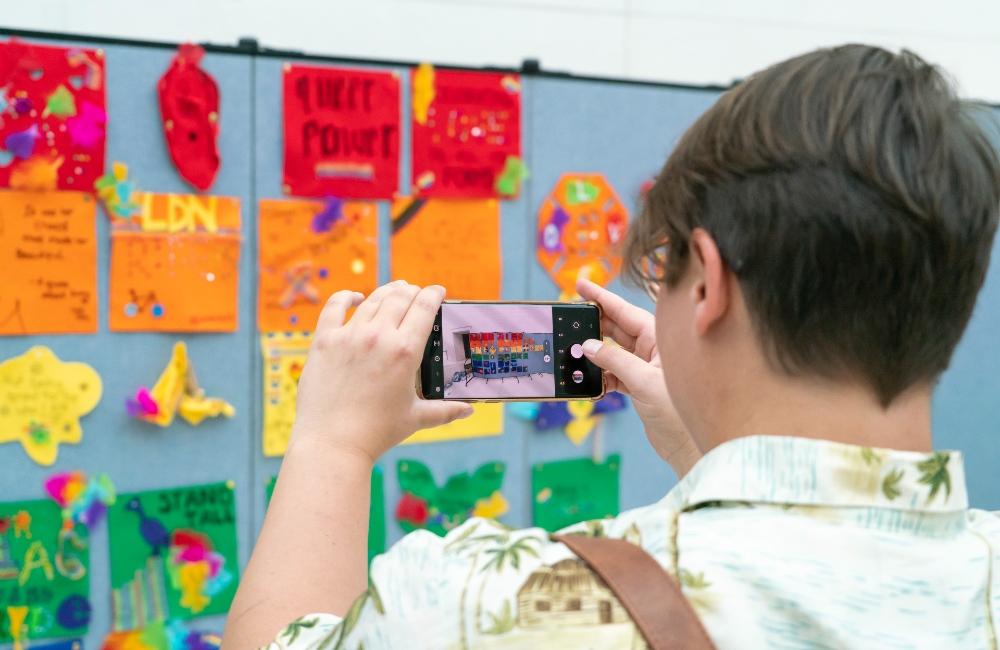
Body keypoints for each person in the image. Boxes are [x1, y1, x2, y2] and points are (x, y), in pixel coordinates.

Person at [224, 44, 1000, 649]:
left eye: (665, 272)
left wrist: (332, 442)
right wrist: (707, 452)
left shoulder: (494, 605)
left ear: (709, 287)